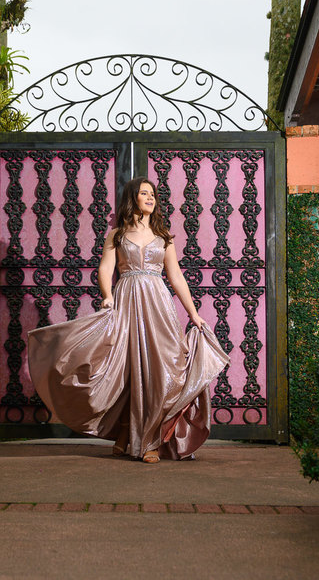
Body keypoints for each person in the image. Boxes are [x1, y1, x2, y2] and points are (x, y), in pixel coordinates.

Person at [27, 177, 230, 463]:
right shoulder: (117, 234)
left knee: (161, 370)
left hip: (158, 305)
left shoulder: (164, 235)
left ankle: (151, 438)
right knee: (127, 370)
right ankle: (134, 439)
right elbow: (105, 268)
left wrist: (193, 313)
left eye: (153, 194)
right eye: (143, 193)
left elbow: (176, 276)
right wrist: (107, 295)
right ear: (132, 198)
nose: (150, 197)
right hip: (127, 302)